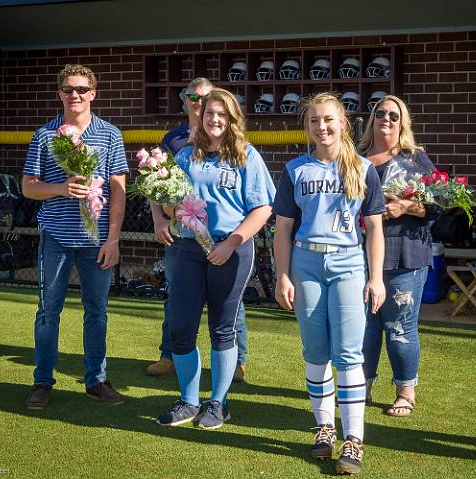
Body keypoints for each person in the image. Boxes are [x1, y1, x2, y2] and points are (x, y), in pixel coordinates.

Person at [273, 92, 386, 475]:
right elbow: (283, 229)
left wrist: (377, 278)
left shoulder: (363, 168)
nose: (322, 127)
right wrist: (283, 274)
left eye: (328, 119)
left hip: (348, 263)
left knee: (349, 353)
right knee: (316, 349)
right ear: (307, 127)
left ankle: (353, 438)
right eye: (315, 121)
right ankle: (324, 428)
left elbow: (374, 229)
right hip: (306, 262)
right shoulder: (294, 170)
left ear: (343, 123)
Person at [155, 88, 275, 430]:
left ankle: (218, 404)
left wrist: (231, 242)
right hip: (191, 249)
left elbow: (263, 208)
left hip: (231, 249)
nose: (215, 119)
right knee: (180, 327)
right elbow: (168, 203)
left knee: (223, 328)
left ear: (232, 118)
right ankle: (189, 401)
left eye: (222, 114)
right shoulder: (185, 156)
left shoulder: (246, 156)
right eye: (210, 113)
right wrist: (164, 201)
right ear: (201, 116)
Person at [22, 64, 129, 409]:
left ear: (93, 94)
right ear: (60, 93)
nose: (75, 95)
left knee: (96, 312)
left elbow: (118, 192)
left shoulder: (110, 134)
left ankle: (96, 380)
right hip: (55, 236)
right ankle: (42, 381)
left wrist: (112, 239)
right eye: (68, 89)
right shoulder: (45, 134)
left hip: (96, 240)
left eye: (82, 89)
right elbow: (28, 187)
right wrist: (60, 188)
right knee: (48, 311)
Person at [146, 78, 250, 383]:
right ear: (184, 100)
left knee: (230, 301)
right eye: (192, 96)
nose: (198, 101)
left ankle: (238, 360)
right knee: (176, 296)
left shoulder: (234, 144)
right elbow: (157, 184)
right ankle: (169, 354)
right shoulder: (175, 140)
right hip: (184, 236)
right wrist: (159, 219)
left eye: (204, 97)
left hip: (223, 239)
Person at [357, 95, 435, 417]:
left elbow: (439, 206)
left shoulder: (415, 160)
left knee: (399, 325)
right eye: (380, 113)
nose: (386, 119)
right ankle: (361, 386)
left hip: (405, 254)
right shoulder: (354, 158)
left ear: (402, 122)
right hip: (358, 254)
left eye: (393, 114)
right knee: (364, 325)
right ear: (372, 118)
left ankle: (405, 390)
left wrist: (405, 206)